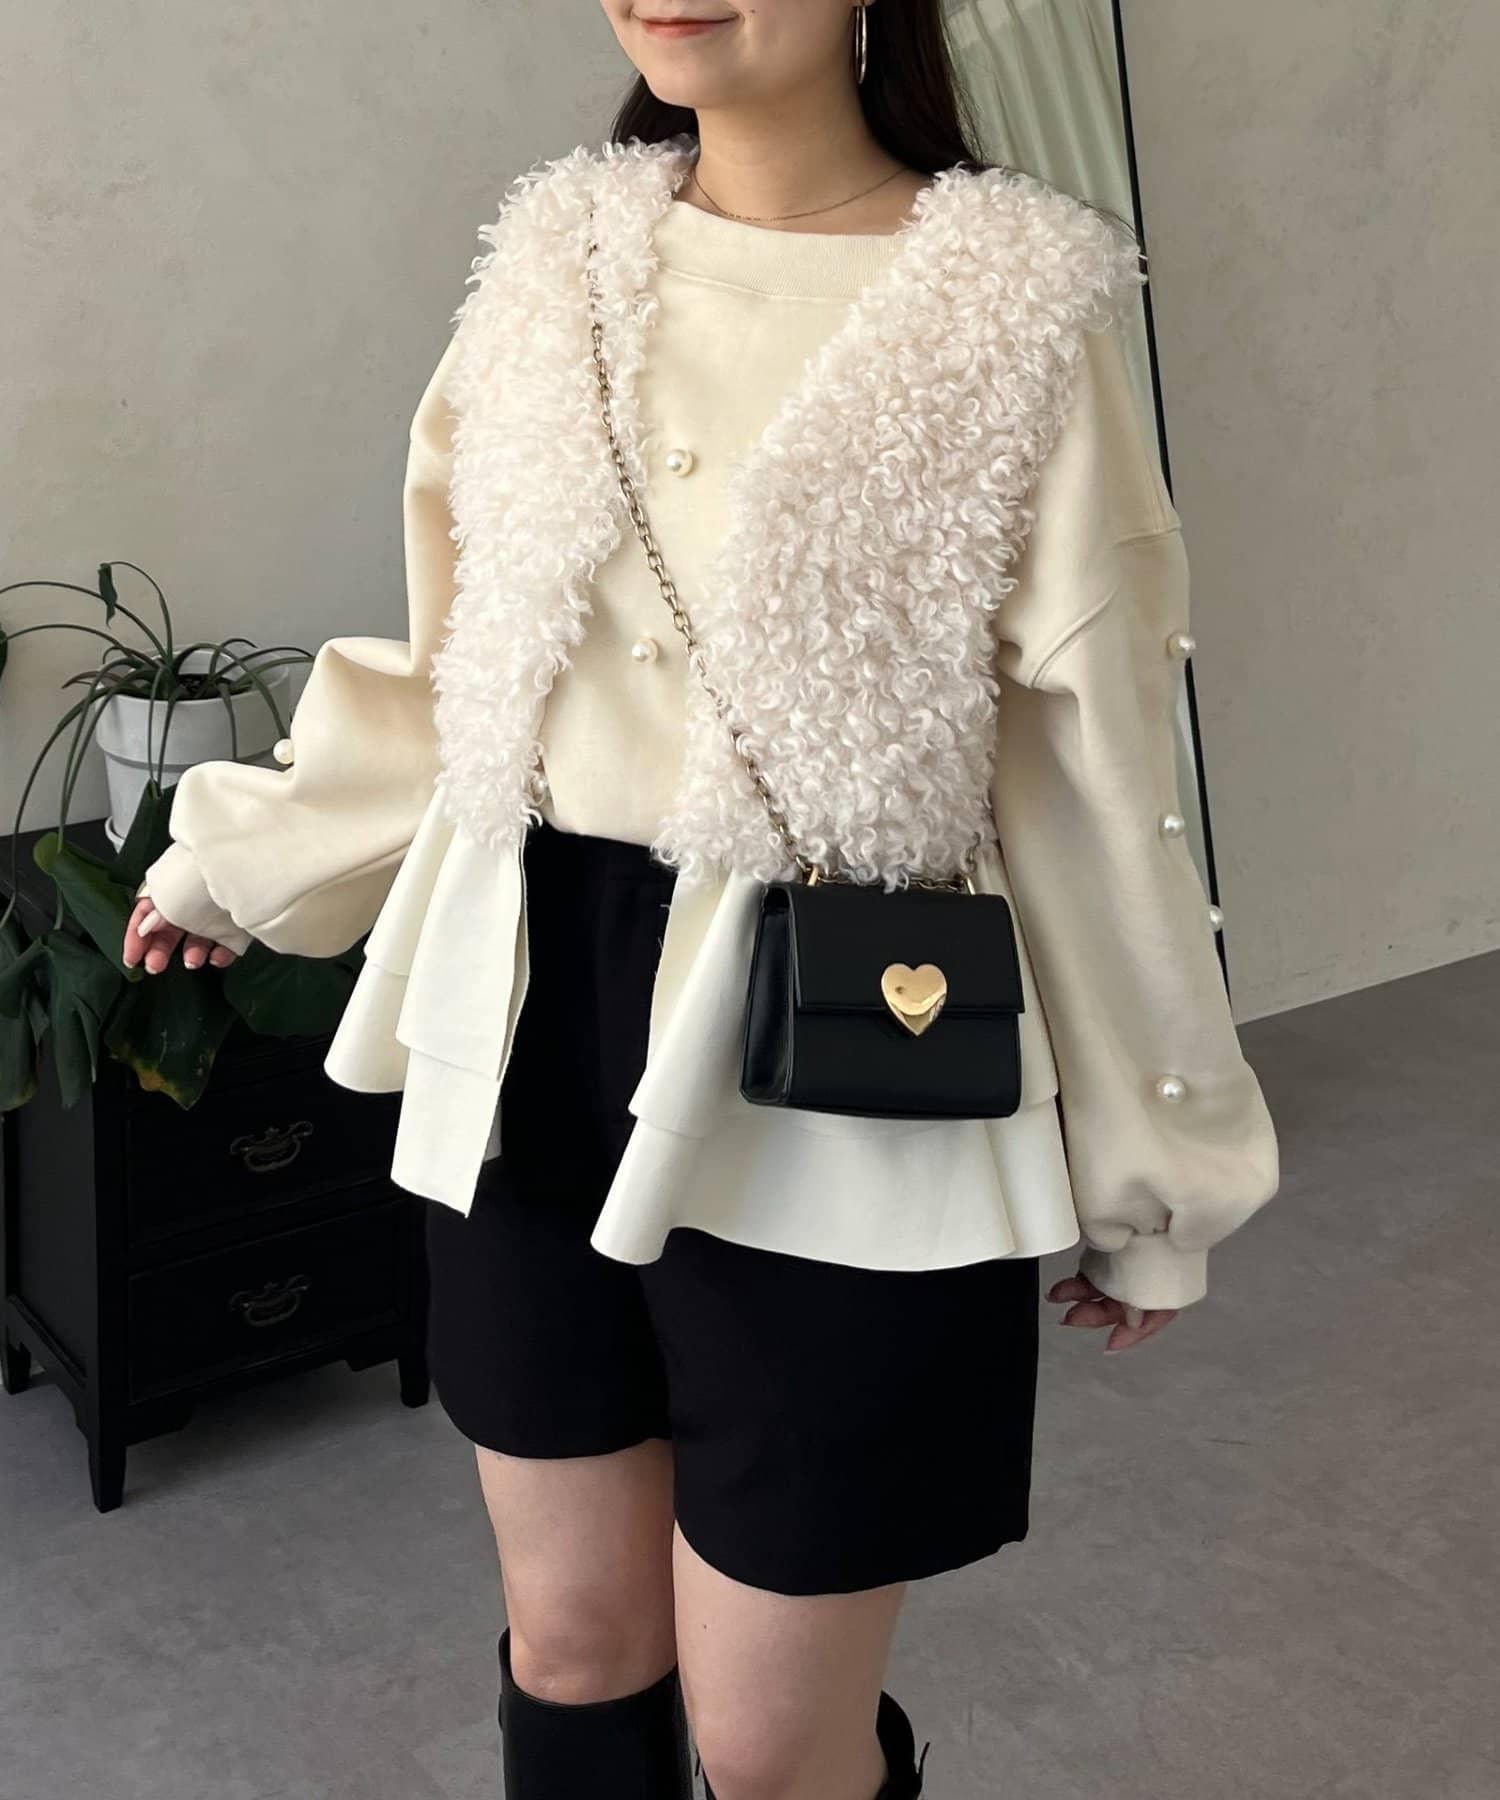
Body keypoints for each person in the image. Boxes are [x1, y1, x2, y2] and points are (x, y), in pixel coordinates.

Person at [122, 4, 1281, 1796]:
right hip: (529, 1015)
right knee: (575, 1648)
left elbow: (1095, 777)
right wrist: (252, 856)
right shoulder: (552, 261)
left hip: (842, 1027)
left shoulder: (1009, 306)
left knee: (765, 1745)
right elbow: (464, 658)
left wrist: (1157, 1174)